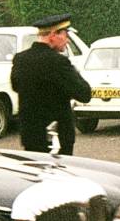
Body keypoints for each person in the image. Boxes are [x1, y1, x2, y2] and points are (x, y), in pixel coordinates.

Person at [10, 14, 92, 155]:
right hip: (56, 136)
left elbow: (16, 86)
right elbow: (84, 93)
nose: (67, 41)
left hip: (31, 134)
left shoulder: (21, 59)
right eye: (65, 35)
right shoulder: (58, 62)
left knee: (36, 174)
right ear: (53, 35)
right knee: (58, 175)